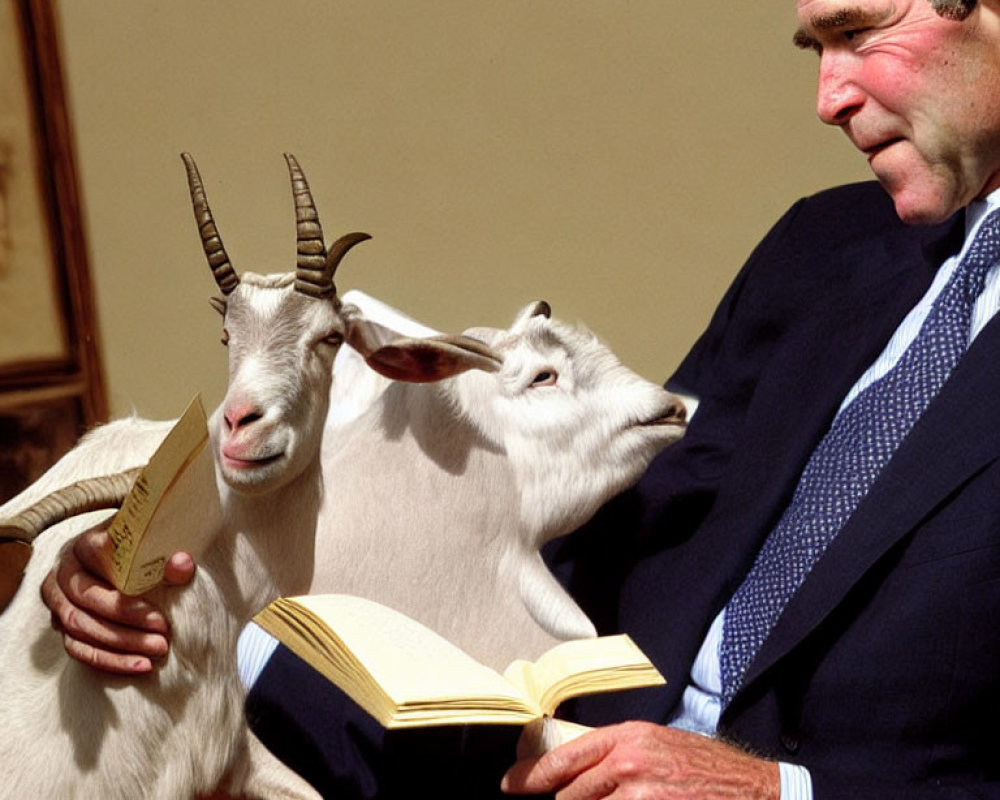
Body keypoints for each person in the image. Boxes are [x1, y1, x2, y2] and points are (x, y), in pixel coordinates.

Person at [40, 0, 1000, 797]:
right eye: (813, 47)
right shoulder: (822, 249)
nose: (827, 97)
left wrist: (775, 793)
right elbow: (605, 541)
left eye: (859, 31)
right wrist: (186, 599)